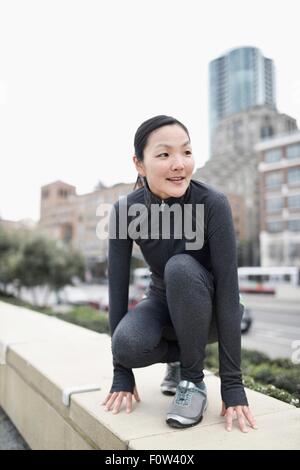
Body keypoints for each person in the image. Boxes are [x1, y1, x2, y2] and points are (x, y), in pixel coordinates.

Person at [101, 115, 257, 432]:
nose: (179, 164)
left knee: (181, 266)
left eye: (186, 152)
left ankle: (192, 379)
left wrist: (232, 385)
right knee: (127, 345)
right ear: (139, 164)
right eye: (164, 154)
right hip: (162, 300)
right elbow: (117, 290)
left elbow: (229, 291)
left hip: (211, 307)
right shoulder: (124, 211)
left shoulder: (213, 203)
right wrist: (122, 372)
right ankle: (181, 358)